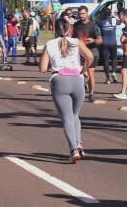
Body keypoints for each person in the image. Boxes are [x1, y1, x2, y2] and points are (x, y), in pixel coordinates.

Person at [39, 19, 93, 163]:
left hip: (60, 80)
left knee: (67, 118)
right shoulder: (76, 42)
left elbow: (43, 68)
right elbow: (90, 57)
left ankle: (73, 149)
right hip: (77, 79)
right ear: (69, 29)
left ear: (53, 29)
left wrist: (55, 65)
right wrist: (84, 69)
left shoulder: (49, 44)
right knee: (75, 115)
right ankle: (79, 143)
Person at [73, 5, 102, 101]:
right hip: (80, 52)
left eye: (83, 14)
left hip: (92, 52)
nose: (81, 16)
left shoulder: (93, 26)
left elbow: (100, 40)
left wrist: (93, 40)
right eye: (79, 14)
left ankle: (91, 94)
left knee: (90, 73)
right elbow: (73, 38)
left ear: (87, 13)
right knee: (78, 73)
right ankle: (80, 88)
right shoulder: (76, 25)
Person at [96, 9, 119, 84]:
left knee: (106, 61)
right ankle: (114, 72)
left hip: (104, 43)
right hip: (113, 42)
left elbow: (95, 20)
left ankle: (108, 78)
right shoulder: (114, 20)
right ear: (110, 14)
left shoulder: (101, 21)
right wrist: (114, 15)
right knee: (114, 59)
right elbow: (121, 21)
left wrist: (100, 16)